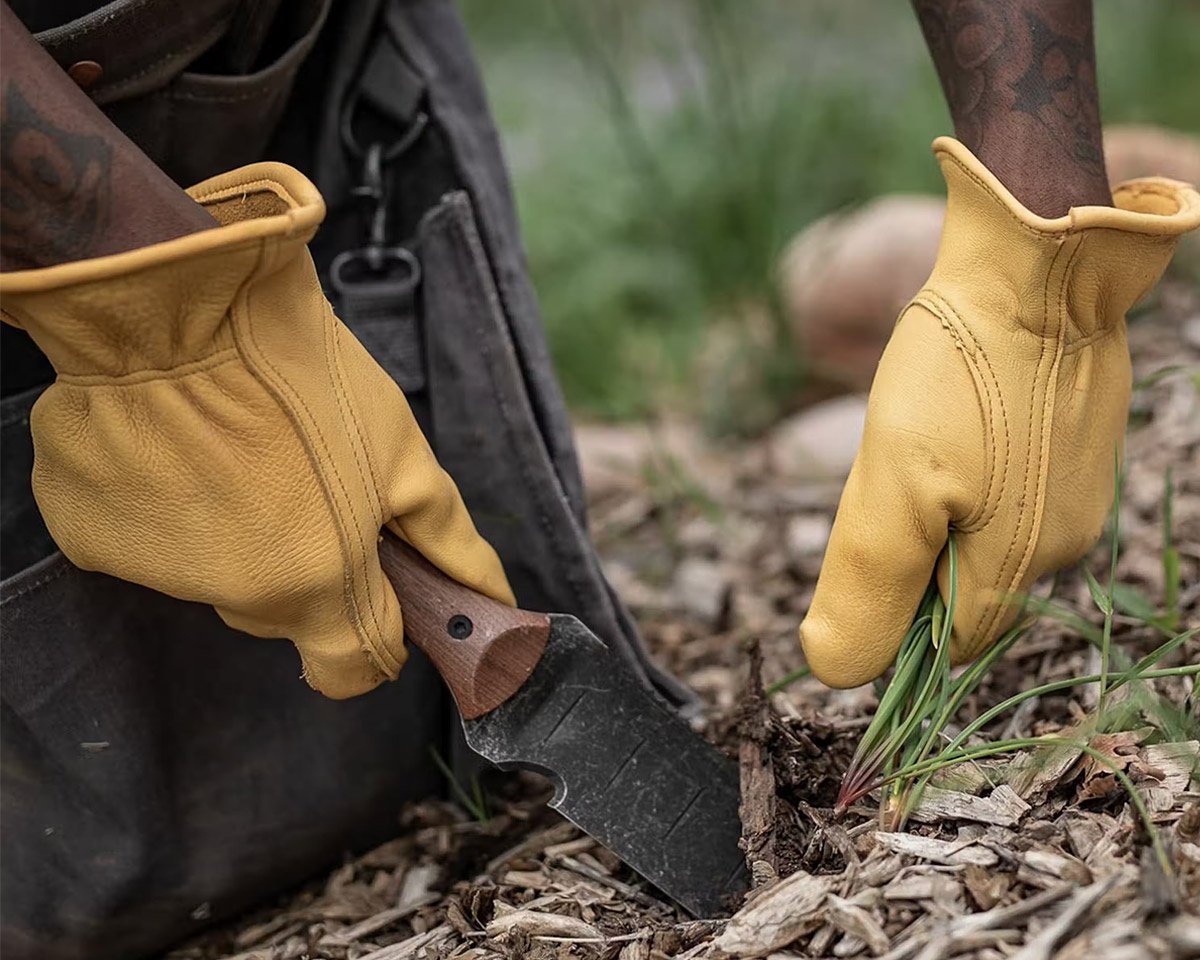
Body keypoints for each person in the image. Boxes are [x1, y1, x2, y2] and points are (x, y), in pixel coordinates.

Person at [0, 1, 1195, 957]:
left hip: (301, 75)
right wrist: (139, 305)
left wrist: (1040, 247)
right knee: (109, 870)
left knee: (372, 744)